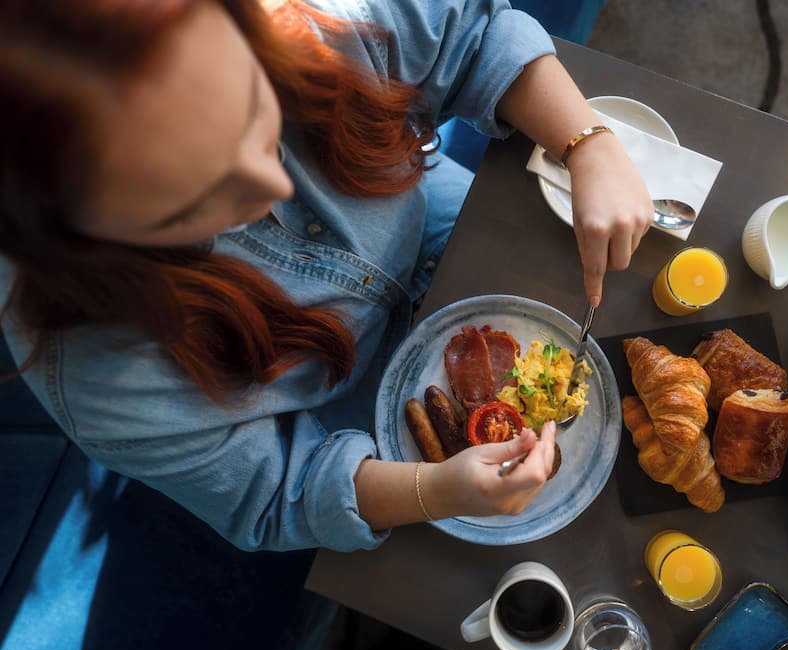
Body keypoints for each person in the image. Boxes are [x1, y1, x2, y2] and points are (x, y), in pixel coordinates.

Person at [0, 0, 652, 552]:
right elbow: (280, 494)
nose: (275, 184)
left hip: (449, 225)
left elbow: (473, 34)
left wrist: (586, 141)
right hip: (352, 413)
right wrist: (436, 490)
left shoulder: (313, 18)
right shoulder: (101, 383)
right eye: (192, 202)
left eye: (254, 113)